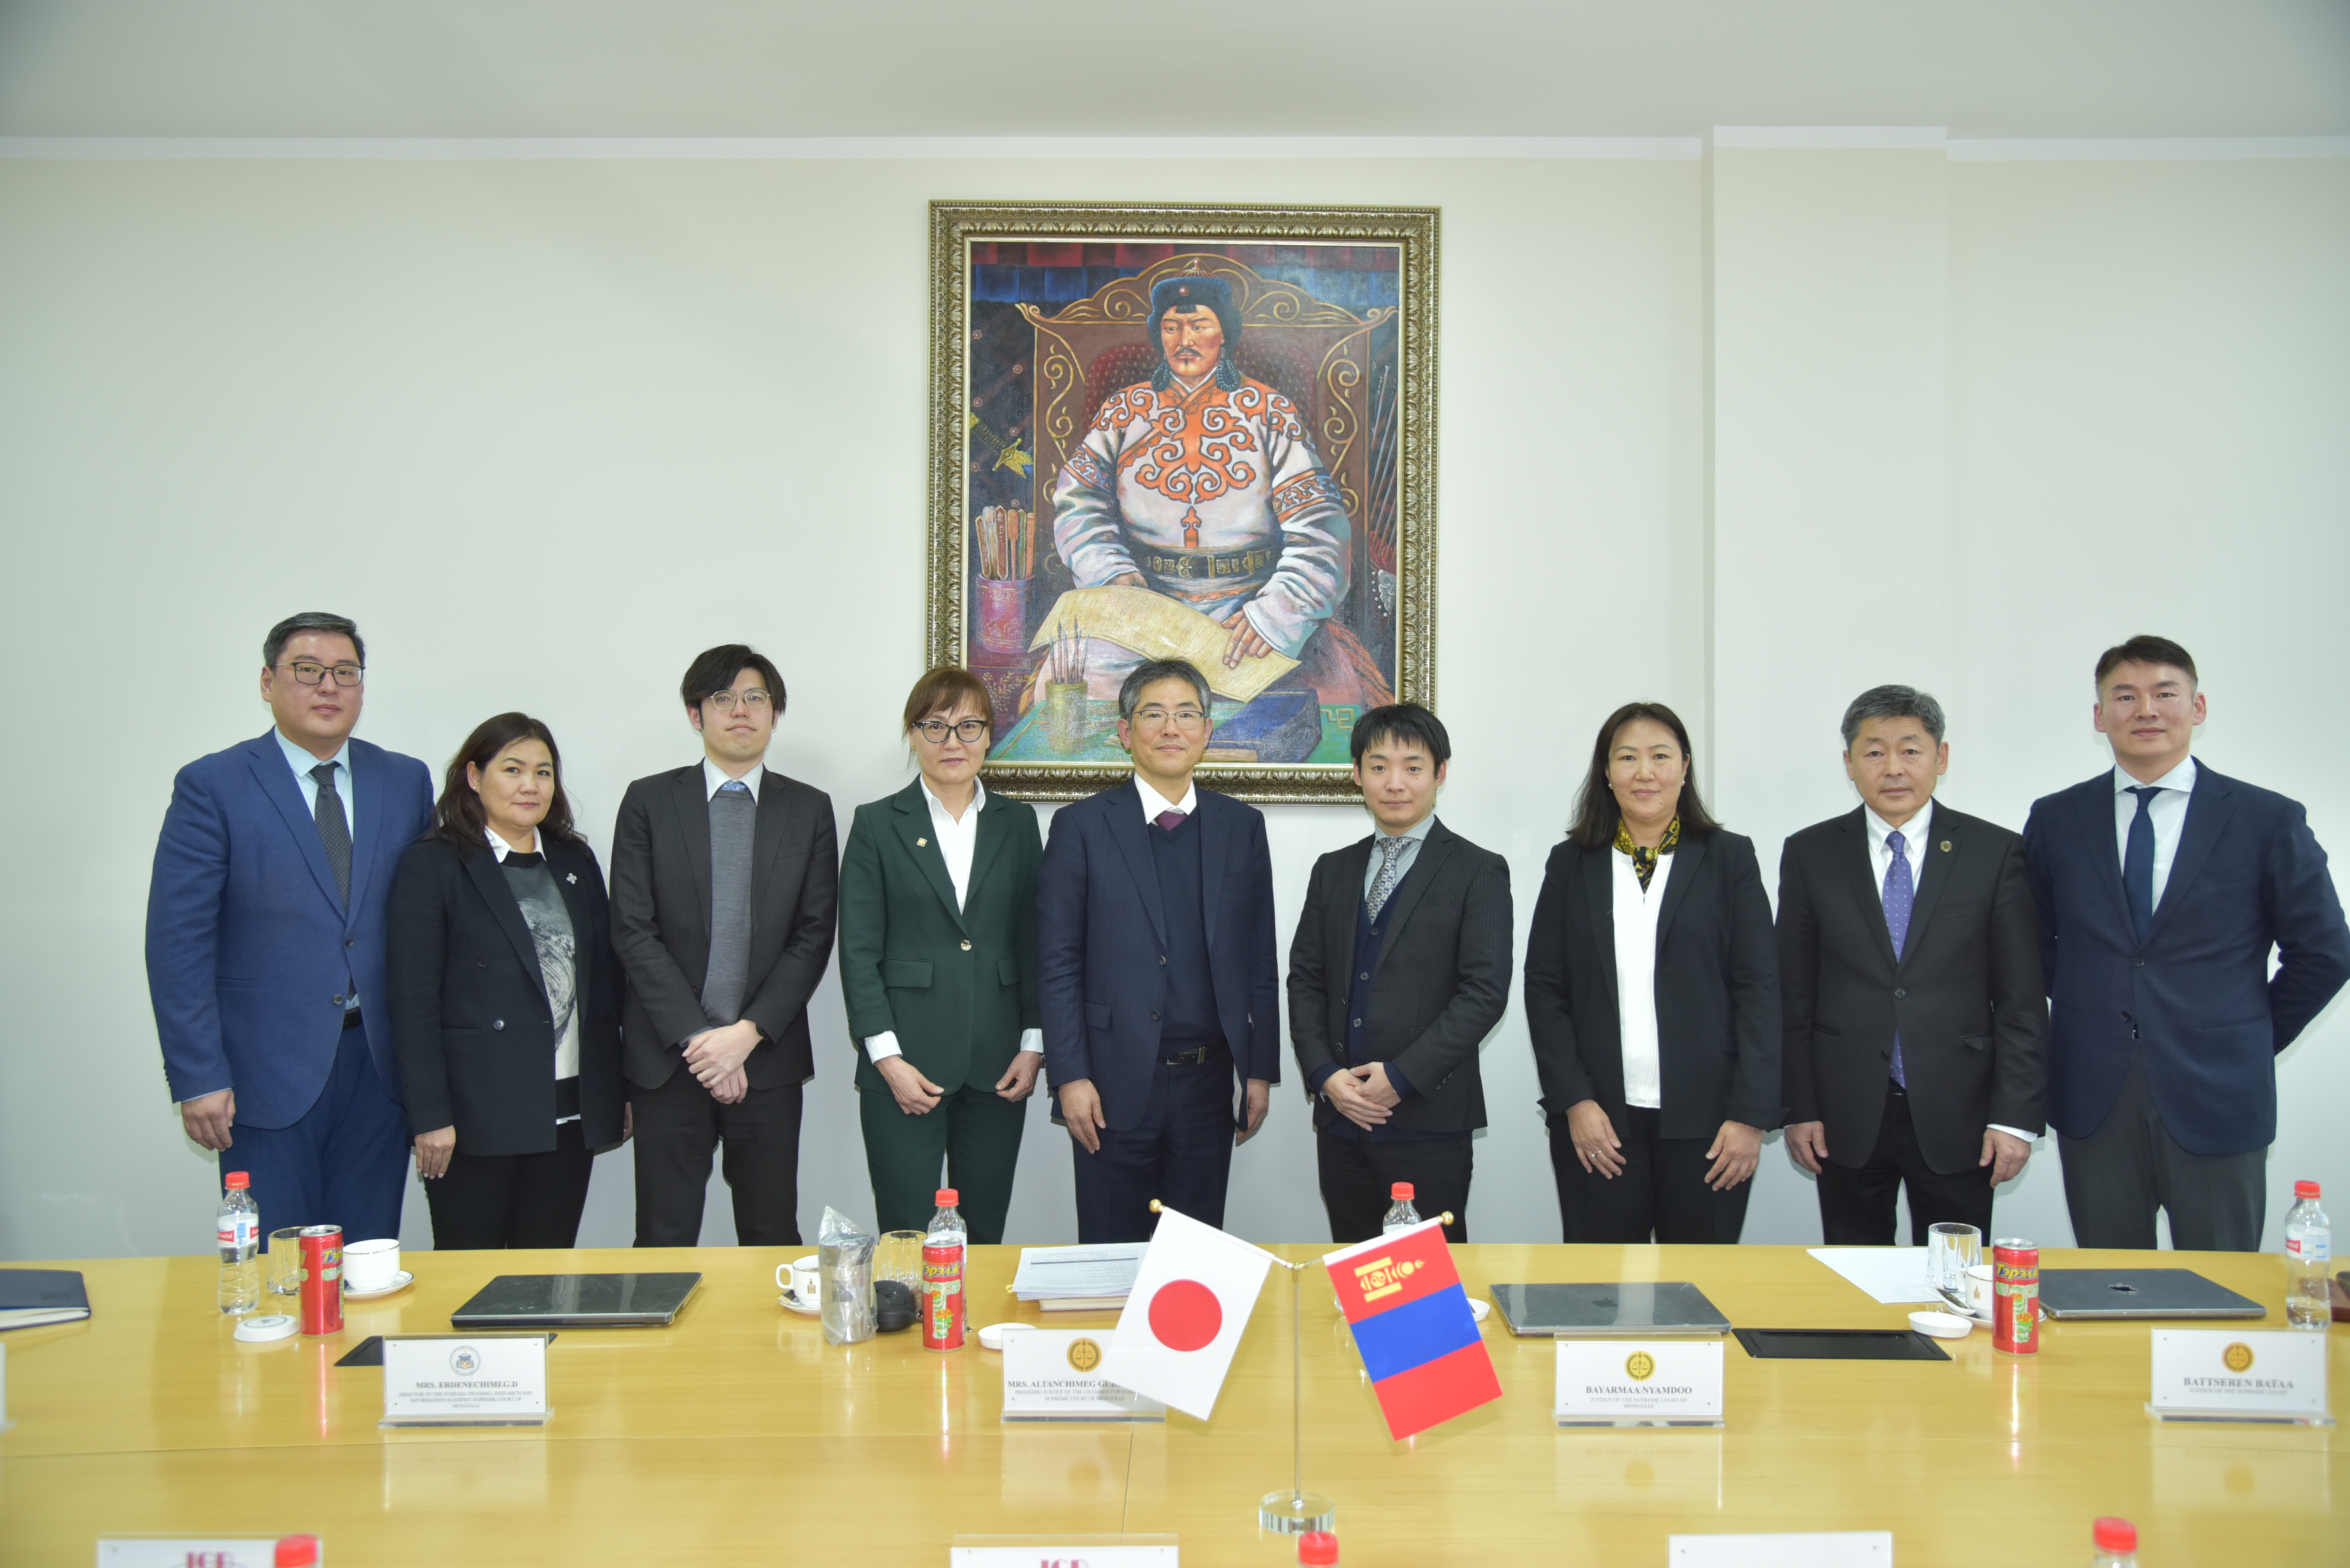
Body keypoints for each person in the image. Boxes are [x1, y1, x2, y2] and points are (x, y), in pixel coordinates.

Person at [2023, 636, 2349, 1251]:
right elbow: (2032, 942)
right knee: (2110, 1287)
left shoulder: (2266, 819)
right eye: (2125, 696)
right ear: (2099, 716)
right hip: (2093, 1092)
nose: (2146, 710)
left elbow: (2326, 952)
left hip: (2219, 1091)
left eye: (2165, 693)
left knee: (2222, 1287)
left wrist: (2248, 1036)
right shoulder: (2056, 818)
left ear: (2197, 708)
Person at [146, 612, 434, 1242]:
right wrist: (199, 1075)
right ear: (267, 682)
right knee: (278, 1268)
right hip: (262, 1074)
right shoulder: (213, 784)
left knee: (366, 1263)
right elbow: (178, 943)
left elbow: (429, 927)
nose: (328, 686)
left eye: (345, 672)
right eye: (307, 670)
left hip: (379, 1072)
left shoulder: (404, 780)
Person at [1776, 686, 2047, 1245]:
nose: (1893, 768)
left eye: (1911, 750)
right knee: (1853, 1278)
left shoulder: (1994, 852)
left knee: (1956, 1278)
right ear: (1849, 763)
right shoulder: (1810, 853)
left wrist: (2014, 1118)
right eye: (1874, 752)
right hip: (1845, 1113)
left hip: (1962, 1113)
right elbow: (1794, 994)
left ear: (1940, 758)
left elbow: (2020, 998)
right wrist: (1799, 1107)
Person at [1048, 272, 1388, 707]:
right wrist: (1112, 574)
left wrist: (1275, 613)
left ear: (1224, 332)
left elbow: (1322, 529)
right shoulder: (1123, 412)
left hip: (1249, 610)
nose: (1184, 340)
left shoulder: (1270, 412)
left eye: (1199, 325)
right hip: (1143, 607)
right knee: (1072, 693)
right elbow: (1077, 502)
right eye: (1171, 327)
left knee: (1316, 706)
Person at [1037, 656, 1281, 1242]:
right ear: (1126, 732)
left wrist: (1260, 1070)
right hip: (1110, 1083)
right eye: (1153, 714)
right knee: (1111, 1255)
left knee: (1195, 1264)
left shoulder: (1241, 826)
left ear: (1207, 731)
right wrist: (1070, 1076)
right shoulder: (1081, 826)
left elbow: (1260, 959)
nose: (1171, 728)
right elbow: (1058, 963)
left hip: (1209, 1083)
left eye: (1186, 714)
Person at [1522, 702, 1780, 1244]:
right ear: (1606, 771)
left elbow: (1760, 989)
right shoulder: (1571, 863)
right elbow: (1545, 988)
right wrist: (1574, 1101)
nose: (1645, 772)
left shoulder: (1730, 858)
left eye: (1660, 756)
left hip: (1711, 1124)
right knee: (1599, 1283)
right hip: (1599, 1120)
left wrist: (1750, 1114)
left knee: (1702, 1283)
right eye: (1627, 758)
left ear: (1684, 767)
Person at [610, 645, 838, 1248]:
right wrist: (701, 1041)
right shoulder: (648, 801)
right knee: (662, 1239)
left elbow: (814, 934)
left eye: (756, 697)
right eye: (723, 698)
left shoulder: (810, 809)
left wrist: (745, 1036)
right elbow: (632, 928)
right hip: (669, 1061)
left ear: (774, 714)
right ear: (696, 714)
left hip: (766, 1060)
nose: (741, 710)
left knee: (771, 1234)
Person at [386, 714, 627, 1249]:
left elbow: (607, 983)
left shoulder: (574, 859)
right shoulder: (434, 865)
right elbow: (412, 1003)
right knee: (469, 1276)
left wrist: (618, 1091)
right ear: (474, 777)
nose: (530, 785)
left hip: (570, 1113)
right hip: (475, 1119)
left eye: (543, 772)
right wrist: (429, 1116)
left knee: (547, 1273)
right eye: (513, 769)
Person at [1285, 703, 1511, 1244]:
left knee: (1426, 1281)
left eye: (1413, 767)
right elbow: (1305, 981)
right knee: (1353, 1272)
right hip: (1341, 1119)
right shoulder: (1332, 869)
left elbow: (1484, 993)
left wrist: (1402, 1078)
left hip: (1429, 1120)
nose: (1395, 783)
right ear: (1357, 775)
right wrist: (1324, 1075)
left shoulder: (1478, 869)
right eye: (1378, 766)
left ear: (1440, 773)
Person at [837, 668, 1044, 1242]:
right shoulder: (877, 823)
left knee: (985, 1234)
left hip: (1000, 1064)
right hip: (905, 1063)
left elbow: (1034, 942)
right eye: (935, 726)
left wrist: (1034, 1045)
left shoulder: (1018, 823)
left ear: (989, 735)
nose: (953, 741)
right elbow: (858, 951)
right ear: (912, 734)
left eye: (968, 726)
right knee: (906, 1237)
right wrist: (886, 1059)